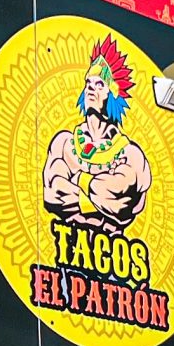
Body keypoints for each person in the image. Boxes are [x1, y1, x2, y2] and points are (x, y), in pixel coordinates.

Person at [41, 33, 151, 231]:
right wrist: (99, 198)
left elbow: (123, 204)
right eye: (88, 84)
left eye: (100, 85)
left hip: (113, 244)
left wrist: (77, 179)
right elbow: (52, 194)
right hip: (67, 238)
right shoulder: (64, 143)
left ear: (114, 92)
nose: (91, 89)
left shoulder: (130, 153)